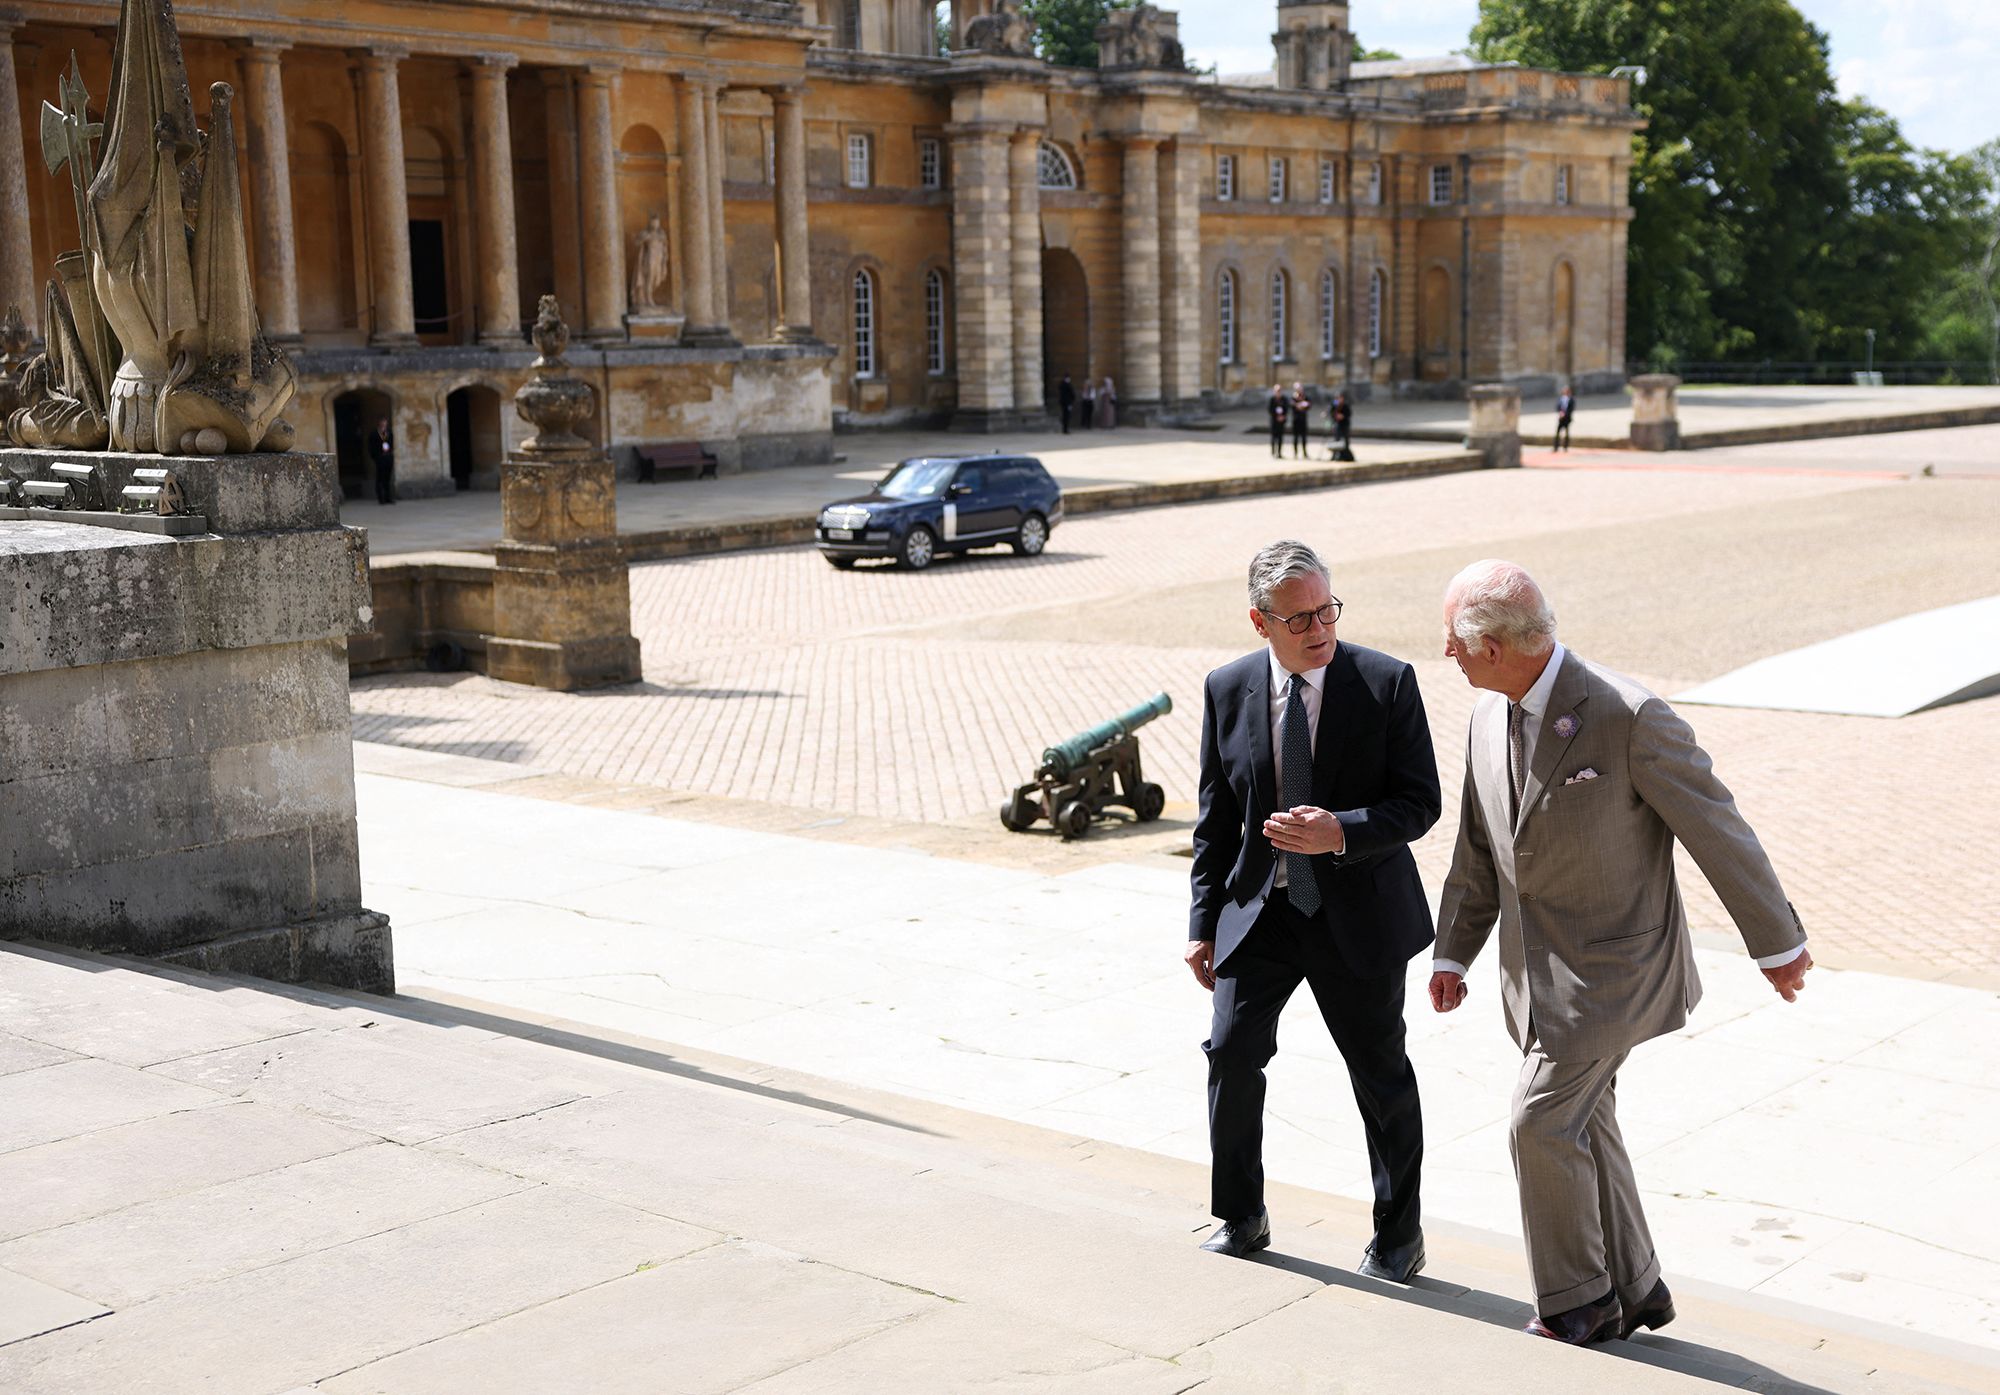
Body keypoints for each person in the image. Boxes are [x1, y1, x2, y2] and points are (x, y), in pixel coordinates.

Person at [1431, 559, 1812, 1347]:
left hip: (1615, 974)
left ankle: (1579, 1302)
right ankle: (1638, 1287)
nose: (1446, 655)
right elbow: (1478, 845)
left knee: (1538, 1122)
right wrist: (1452, 953)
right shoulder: (1482, 714)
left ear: (1496, 645)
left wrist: (1778, 942)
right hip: (1533, 977)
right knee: (1584, 1119)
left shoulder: (1629, 715)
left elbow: (1717, 825)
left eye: (1453, 641)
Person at [1188, 540, 1442, 1284]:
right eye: (1299, 618)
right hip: (1259, 912)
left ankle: (1399, 1236)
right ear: (1260, 622)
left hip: (1355, 912)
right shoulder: (1226, 687)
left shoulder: (1386, 682)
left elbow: (1419, 801)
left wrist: (1344, 830)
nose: (1319, 628)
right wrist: (1202, 924)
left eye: (1327, 609)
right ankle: (1241, 1215)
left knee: (1379, 1073)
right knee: (1231, 1054)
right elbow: (1214, 819)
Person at [369, 417, 396, 505]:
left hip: (388, 457)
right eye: (382, 422)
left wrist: (389, 453)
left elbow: (391, 444)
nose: (384, 424)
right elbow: (371, 447)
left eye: (385, 422)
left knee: (387, 478)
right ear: (379, 423)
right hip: (379, 458)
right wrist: (376, 457)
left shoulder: (389, 433)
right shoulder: (374, 434)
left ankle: (388, 497)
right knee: (380, 478)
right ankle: (381, 498)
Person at [1266, 384, 1288, 459]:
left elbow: (1286, 409)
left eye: (1279, 391)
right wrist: (1276, 417)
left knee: (1280, 437)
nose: (1278, 392)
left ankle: (1279, 453)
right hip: (1274, 421)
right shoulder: (1272, 399)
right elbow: (1270, 410)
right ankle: (1273, 452)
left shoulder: (1284, 399)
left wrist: (1283, 416)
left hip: (1281, 421)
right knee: (1273, 437)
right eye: (1277, 391)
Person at [1289, 382, 1311, 459]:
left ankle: (1305, 453)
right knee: (1295, 437)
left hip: (1303, 419)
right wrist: (1299, 405)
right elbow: (1292, 406)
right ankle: (1295, 453)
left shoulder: (1305, 397)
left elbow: (1309, 405)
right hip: (1296, 420)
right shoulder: (1293, 397)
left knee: (1304, 437)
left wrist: (1304, 404)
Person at [1330, 389, 1353, 461]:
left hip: (1344, 425)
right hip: (1337, 425)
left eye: (1339, 398)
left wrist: (1342, 416)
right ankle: (1336, 455)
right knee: (1337, 440)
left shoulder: (1346, 405)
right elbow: (1331, 412)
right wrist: (1335, 416)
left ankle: (1346, 456)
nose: (1338, 399)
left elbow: (1348, 414)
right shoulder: (1335, 404)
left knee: (1345, 441)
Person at [1553, 384, 1575, 452]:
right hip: (1561, 418)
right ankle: (1556, 447)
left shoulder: (1571, 399)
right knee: (1557, 432)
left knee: (1567, 433)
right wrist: (1560, 413)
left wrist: (1565, 414)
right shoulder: (1561, 399)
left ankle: (1565, 447)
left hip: (1567, 418)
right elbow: (1558, 407)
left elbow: (1571, 409)